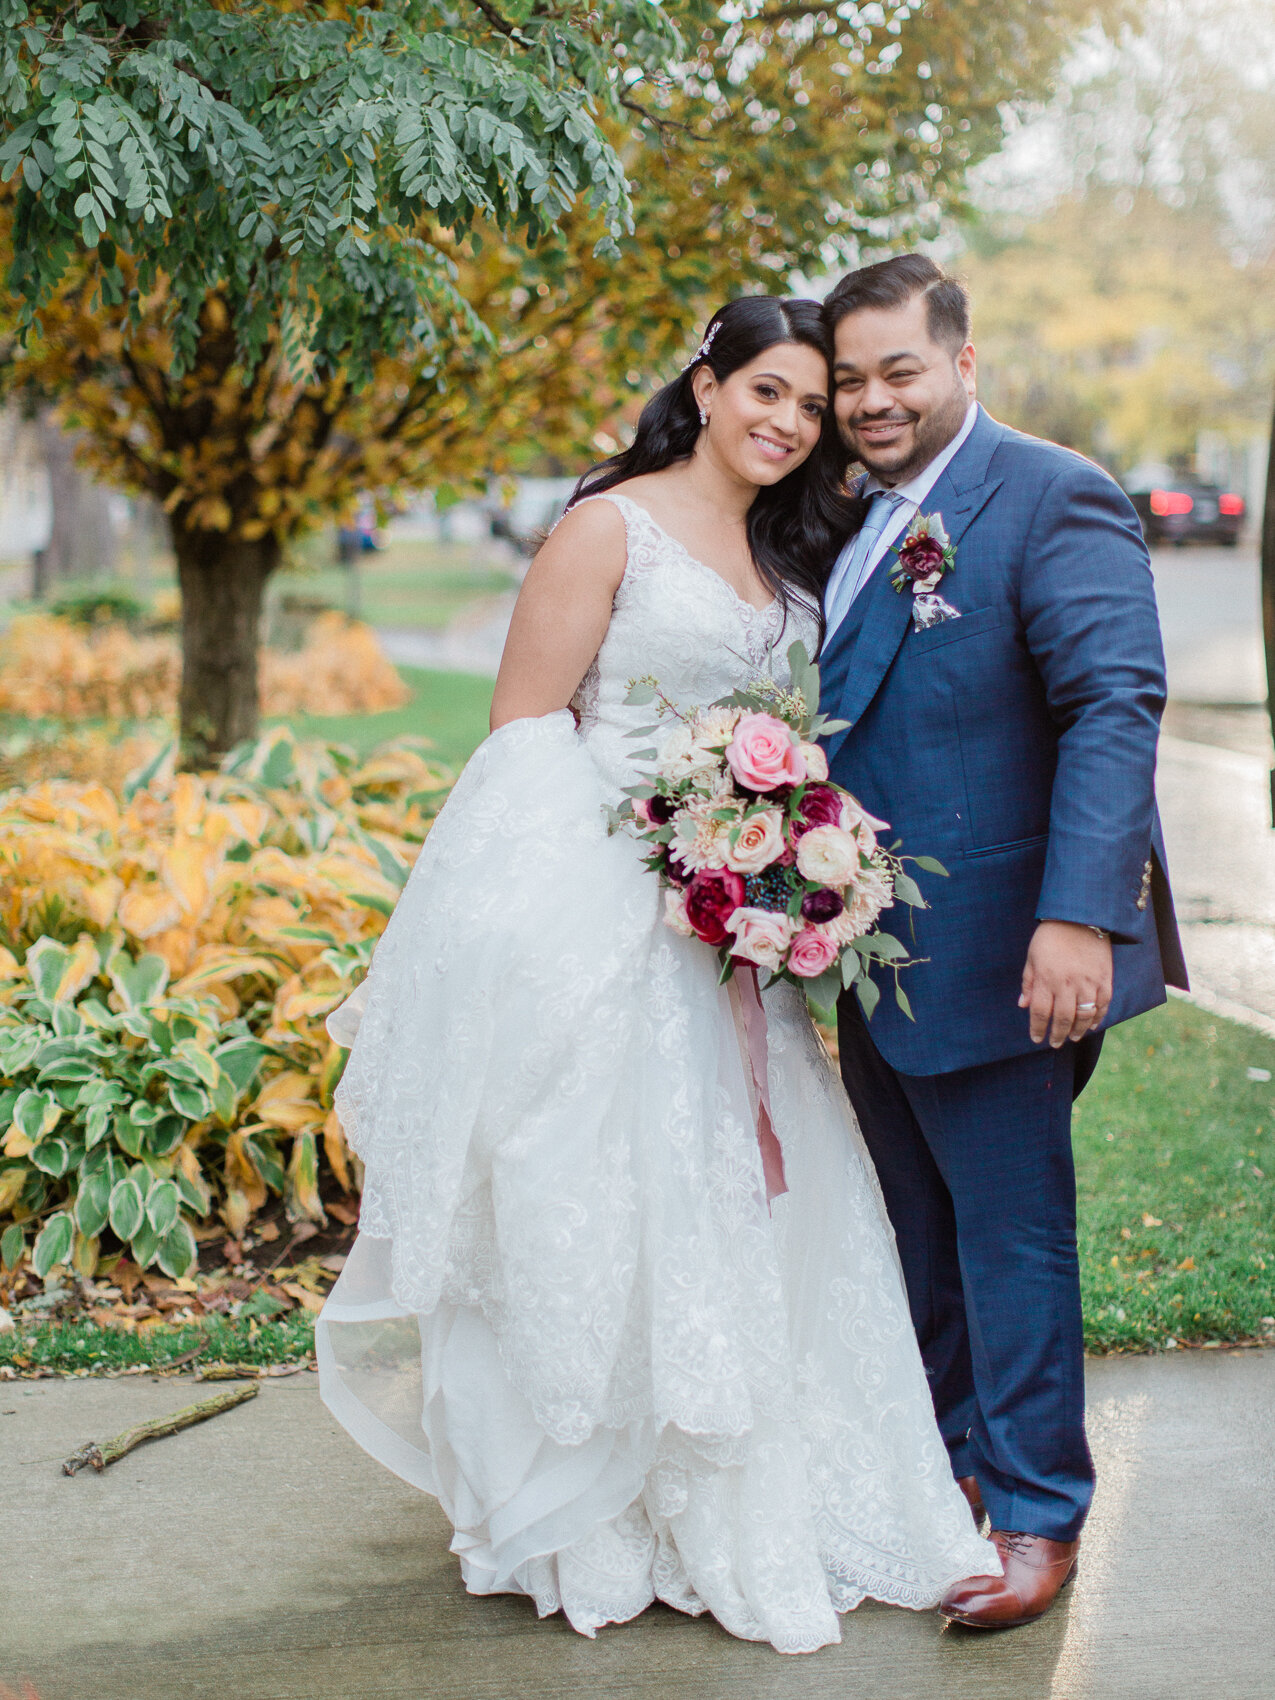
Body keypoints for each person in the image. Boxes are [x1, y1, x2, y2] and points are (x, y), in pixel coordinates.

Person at [315, 295, 996, 1654]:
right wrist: (647, 874)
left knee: (743, 1204)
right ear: (706, 384)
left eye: (810, 407)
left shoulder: (785, 552)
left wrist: (775, 867)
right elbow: (523, 736)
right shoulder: (606, 527)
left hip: (725, 929)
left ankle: (740, 1491)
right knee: (601, 1201)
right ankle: (594, 1511)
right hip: (607, 918)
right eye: (769, 393)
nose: (790, 423)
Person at [818, 254, 1188, 1629]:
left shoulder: (1049, 494)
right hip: (863, 952)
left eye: (898, 370)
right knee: (921, 1237)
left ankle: (1040, 1516)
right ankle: (961, 1477)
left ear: (964, 364)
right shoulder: (849, 512)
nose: (871, 400)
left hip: (1008, 948)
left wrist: (1081, 916)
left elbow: (1114, 703)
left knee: (1011, 1240)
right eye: (851, 378)